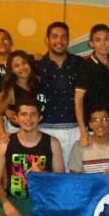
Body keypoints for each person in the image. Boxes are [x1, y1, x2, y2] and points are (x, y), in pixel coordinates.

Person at [0, 99, 64, 216]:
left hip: (43, 199)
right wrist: (6, 203)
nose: (28, 119)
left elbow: (61, 180)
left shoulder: (52, 143)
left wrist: (43, 173)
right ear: (16, 117)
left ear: (40, 117)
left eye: (33, 114)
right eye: (24, 114)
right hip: (15, 199)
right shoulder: (5, 143)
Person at [37, 21, 81, 165]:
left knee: (75, 173)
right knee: (47, 173)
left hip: (76, 129)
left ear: (68, 39)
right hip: (46, 129)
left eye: (63, 37)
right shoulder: (36, 66)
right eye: (55, 36)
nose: (59, 41)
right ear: (47, 40)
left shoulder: (80, 63)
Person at [75, 24, 109, 147]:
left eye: (106, 39)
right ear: (91, 43)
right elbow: (78, 99)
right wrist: (83, 131)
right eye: (98, 40)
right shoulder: (86, 66)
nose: (103, 43)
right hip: (93, 127)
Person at [69, 105, 109, 175]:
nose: (100, 124)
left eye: (104, 119)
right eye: (95, 120)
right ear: (90, 125)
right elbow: (74, 178)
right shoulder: (79, 147)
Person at [0, 50, 43, 137]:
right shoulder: (10, 90)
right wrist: (2, 133)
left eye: (24, 63)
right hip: (17, 132)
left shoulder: (39, 82)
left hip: (39, 129)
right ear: (12, 70)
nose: (22, 67)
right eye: (16, 66)